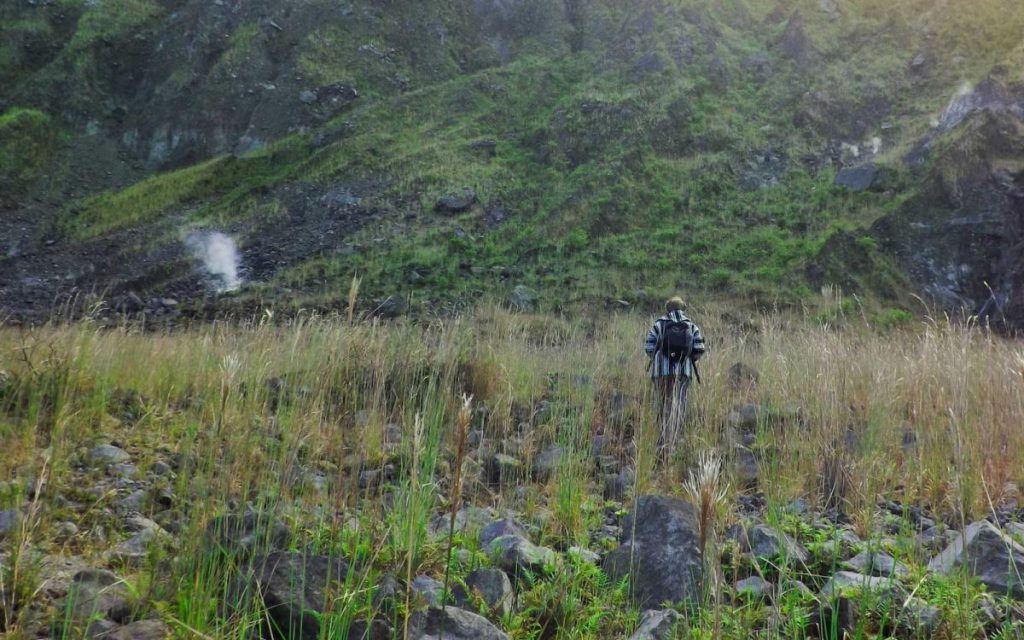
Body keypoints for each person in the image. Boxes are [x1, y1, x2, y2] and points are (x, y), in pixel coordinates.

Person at [644, 296, 706, 452]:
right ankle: (676, 440)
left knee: (663, 404)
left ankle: (663, 440)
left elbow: (648, 346)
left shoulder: (659, 324)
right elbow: (699, 348)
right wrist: (686, 358)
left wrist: (659, 358)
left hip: (661, 373)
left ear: (668, 308)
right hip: (683, 372)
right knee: (679, 404)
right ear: (682, 308)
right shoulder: (691, 325)